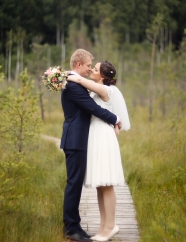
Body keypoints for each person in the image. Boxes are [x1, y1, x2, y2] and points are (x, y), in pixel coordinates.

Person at [60, 49, 121, 242]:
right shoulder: (73, 85)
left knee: (75, 183)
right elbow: (93, 108)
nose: (89, 69)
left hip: (79, 139)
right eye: (88, 66)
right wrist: (115, 119)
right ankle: (71, 228)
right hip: (75, 139)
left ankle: (76, 225)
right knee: (73, 184)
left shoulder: (76, 83)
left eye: (91, 67)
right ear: (79, 65)